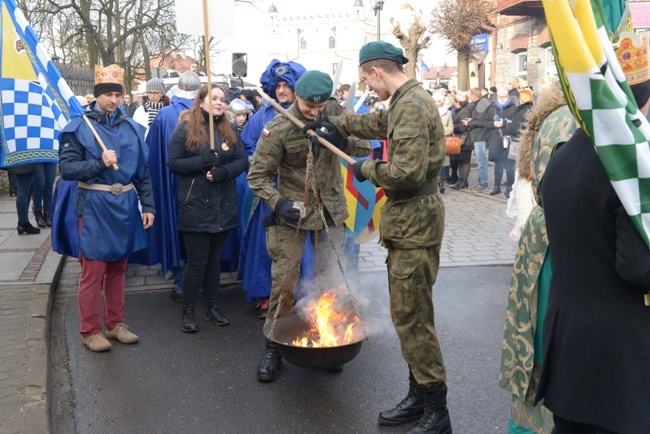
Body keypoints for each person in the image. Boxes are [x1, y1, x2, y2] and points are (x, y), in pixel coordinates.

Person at [304, 41, 450, 434]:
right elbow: (380, 124)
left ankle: (437, 410)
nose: (369, 88)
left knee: (413, 317)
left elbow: (406, 174)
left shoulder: (413, 105)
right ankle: (418, 395)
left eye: (367, 80)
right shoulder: (405, 101)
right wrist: (340, 124)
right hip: (408, 224)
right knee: (407, 315)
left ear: (375, 72)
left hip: (415, 223)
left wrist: (367, 169)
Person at [535, 32, 650, 434]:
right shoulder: (632, 167)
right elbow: (639, 268)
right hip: (622, 374)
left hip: (571, 357)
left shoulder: (569, 151)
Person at [248, 70, 370, 382]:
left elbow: (364, 147)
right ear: (296, 96)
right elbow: (257, 177)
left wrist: (340, 136)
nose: (315, 112)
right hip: (293, 212)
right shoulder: (278, 128)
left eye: (320, 106)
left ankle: (328, 339)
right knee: (285, 282)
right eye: (308, 107)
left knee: (330, 280)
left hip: (330, 210)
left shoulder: (337, 115)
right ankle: (274, 348)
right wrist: (279, 204)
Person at [58, 64, 155, 352]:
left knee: (118, 269)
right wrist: (99, 162)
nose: (113, 100)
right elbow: (67, 169)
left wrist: (147, 205)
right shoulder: (79, 128)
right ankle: (90, 330)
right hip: (94, 208)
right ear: (97, 96)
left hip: (124, 204)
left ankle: (115, 324)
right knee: (93, 272)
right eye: (108, 95)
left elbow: (143, 172)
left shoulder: (133, 130)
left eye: (117, 94)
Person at [498, 82, 578, 434]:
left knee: (541, 344)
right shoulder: (575, 120)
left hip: (546, 235)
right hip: (565, 241)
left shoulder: (557, 115)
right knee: (554, 347)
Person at [167, 84, 248, 333]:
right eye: (213, 98)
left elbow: (242, 160)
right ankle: (189, 311)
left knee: (214, 261)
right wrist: (201, 162)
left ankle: (213, 306)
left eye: (222, 99)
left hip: (223, 205)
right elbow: (174, 163)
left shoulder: (229, 129)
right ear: (200, 101)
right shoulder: (185, 129)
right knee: (197, 261)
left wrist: (224, 172)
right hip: (196, 205)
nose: (219, 103)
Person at [238, 59, 306, 318]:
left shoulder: (305, 115)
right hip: (269, 194)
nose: (281, 91)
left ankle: (301, 294)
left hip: (299, 192)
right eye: (277, 86)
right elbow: (247, 147)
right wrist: (263, 162)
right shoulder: (262, 115)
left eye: (286, 85)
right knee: (266, 247)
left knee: (299, 248)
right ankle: (266, 294)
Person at [130, 71, 202, 302]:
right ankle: (197, 281)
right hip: (202, 183)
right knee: (199, 230)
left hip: (172, 182)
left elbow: (151, 155)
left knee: (176, 229)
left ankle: (181, 281)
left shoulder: (164, 115)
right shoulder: (206, 113)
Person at [484, 88, 517, 196]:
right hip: (496, 139)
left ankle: (509, 187)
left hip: (509, 139)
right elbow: (485, 123)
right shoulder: (492, 108)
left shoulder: (514, 108)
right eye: (500, 97)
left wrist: (504, 123)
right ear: (497, 97)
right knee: (498, 164)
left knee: (509, 164)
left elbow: (516, 124)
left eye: (504, 96)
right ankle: (496, 186)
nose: (502, 99)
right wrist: (493, 124)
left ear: (508, 97)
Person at [464, 87, 493, 192]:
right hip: (480, 134)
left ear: (474, 96)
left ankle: (483, 183)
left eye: (469, 95)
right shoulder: (482, 102)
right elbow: (481, 118)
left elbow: (481, 122)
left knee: (481, 160)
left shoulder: (481, 103)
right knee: (481, 160)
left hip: (481, 135)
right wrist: (472, 119)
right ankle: (482, 182)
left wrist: (469, 123)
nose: (468, 97)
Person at [450, 92, 473, 190]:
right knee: (460, 161)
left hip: (465, 140)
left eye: (455, 101)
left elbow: (463, 127)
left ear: (458, 101)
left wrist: (452, 127)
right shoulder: (460, 110)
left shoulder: (465, 111)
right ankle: (460, 179)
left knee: (465, 161)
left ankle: (464, 180)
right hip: (459, 139)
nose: (454, 102)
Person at [8, 163, 40, 234]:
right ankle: (23, 222)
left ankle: (24, 221)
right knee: (23, 190)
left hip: (23, 160)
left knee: (30, 188)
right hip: (24, 160)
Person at [31, 162, 57, 227]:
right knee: (39, 184)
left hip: (51, 154)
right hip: (36, 155)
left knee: (49, 185)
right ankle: (38, 213)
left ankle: (48, 213)